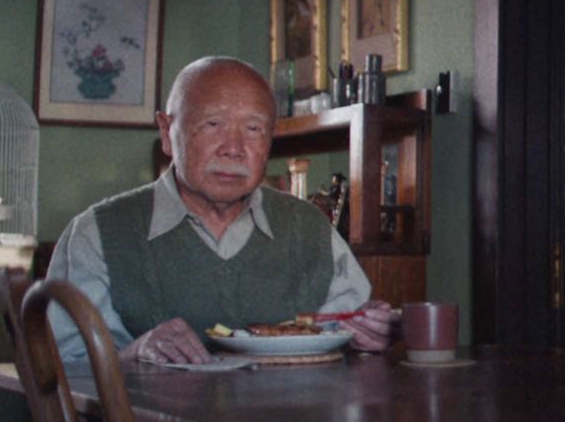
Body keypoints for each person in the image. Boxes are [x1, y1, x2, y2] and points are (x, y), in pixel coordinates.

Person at [46, 56, 395, 363]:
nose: (234, 149)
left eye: (254, 129)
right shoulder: (100, 234)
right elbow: (60, 371)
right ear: (167, 133)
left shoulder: (307, 227)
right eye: (212, 125)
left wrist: (369, 333)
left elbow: (349, 331)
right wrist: (132, 355)